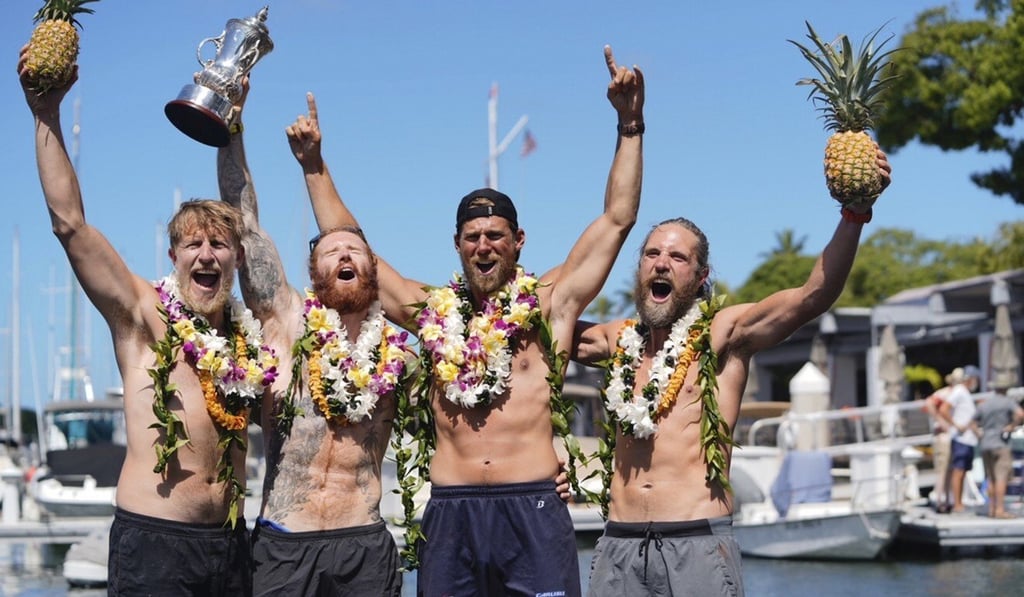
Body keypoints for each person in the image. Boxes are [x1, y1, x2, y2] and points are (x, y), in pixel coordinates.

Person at [292, 45, 644, 596]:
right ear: (457, 245)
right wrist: (314, 166)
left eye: (496, 236)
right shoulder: (431, 311)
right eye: (473, 237)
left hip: (531, 506)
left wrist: (629, 125)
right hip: (451, 514)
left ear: (517, 242)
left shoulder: (550, 305)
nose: (484, 246)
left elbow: (617, 220)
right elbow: (356, 248)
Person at [20, 50, 276, 595]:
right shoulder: (142, 313)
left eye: (220, 244)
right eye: (194, 244)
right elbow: (70, 225)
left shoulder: (243, 337)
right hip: (156, 543)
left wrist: (232, 125)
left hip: (230, 544)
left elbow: (247, 213)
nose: (207, 255)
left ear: (235, 257)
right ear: (173, 255)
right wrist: (45, 113)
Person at [574, 156, 892, 594]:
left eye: (677, 256)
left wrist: (854, 216)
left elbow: (811, 297)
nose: (661, 263)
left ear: (701, 276)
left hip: (696, 543)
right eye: (652, 253)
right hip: (619, 547)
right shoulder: (616, 341)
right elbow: (544, 327)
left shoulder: (724, 334)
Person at [216, 84, 416, 595]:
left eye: (356, 249)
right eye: (332, 250)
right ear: (314, 270)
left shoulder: (400, 355)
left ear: (374, 270)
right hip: (286, 541)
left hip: (364, 544)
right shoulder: (287, 322)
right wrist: (229, 125)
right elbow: (245, 224)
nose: (345, 255)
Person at [973, 374, 1023, 519]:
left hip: (985, 443)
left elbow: (972, 421)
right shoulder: (1007, 402)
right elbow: (1020, 414)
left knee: (990, 478)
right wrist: (1011, 426)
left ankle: (992, 509)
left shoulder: (985, 404)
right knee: (1001, 478)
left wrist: (979, 434)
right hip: (1000, 444)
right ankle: (1000, 510)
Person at [937, 365, 981, 514]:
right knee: (958, 471)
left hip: (967, 439)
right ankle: (957, 504)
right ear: (970, 379)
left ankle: (958, 502)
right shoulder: (959, 391)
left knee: (962, 471)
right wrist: (955, 425)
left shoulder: (964, 393)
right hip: (961, 439)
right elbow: (943, 409)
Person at [924, 373, 957, 512]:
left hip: (951, 436)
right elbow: (929, 403)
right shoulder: (944, 394)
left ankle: (948, 499)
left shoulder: (955, 393)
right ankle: (939, 501)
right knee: (942, 470)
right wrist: (942, 422)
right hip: (942, 436)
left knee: (950, 469)